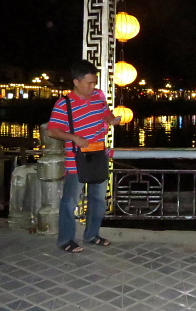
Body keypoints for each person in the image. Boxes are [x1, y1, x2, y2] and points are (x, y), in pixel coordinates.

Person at [47, 60, 120, 253]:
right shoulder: (64, 103)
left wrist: (112, 120)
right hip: (76, 159)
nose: (92, 86)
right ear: (76, 82)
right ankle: (66, 239)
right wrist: (74, 138)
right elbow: (53, 130)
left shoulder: (98, 96)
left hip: (99, 155)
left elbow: (105, 112)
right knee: (70, 201)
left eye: (94, 82)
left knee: (99, 199)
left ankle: (92, 235)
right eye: (89, 83)